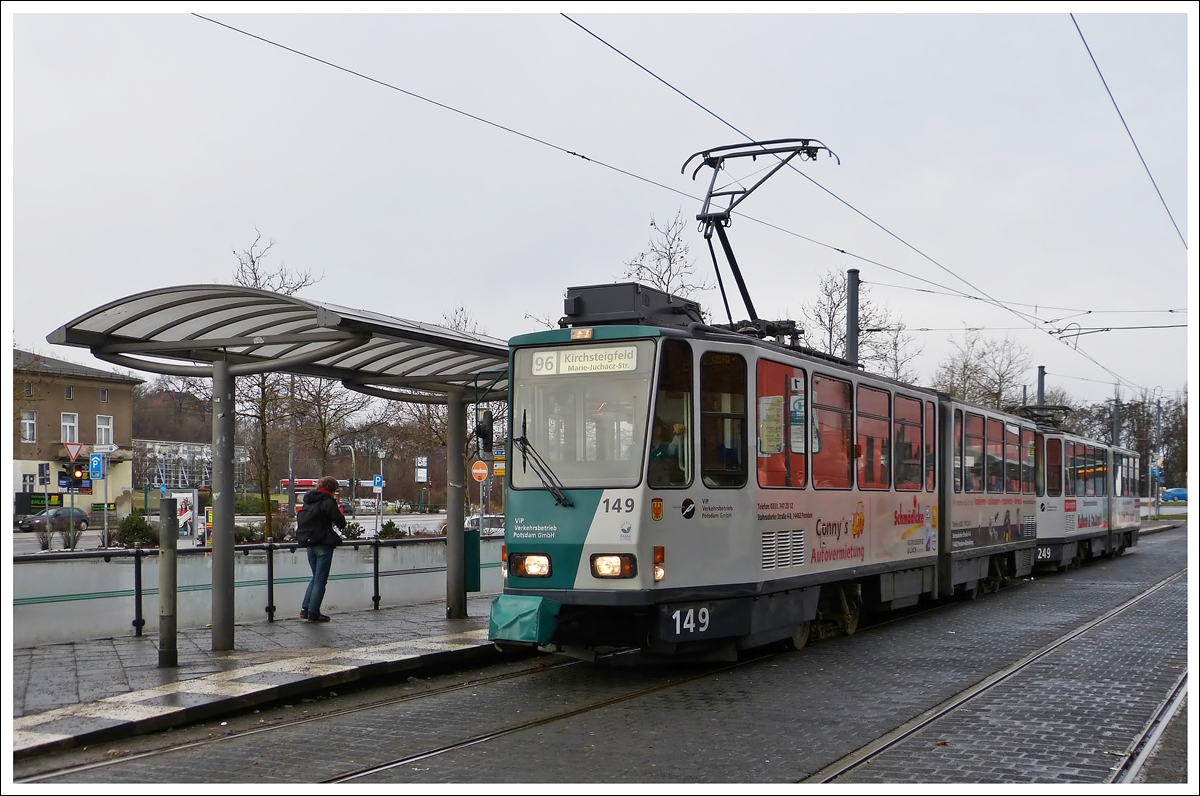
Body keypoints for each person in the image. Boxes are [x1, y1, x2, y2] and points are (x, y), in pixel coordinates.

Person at [296, 476, 346, 622]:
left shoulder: (308, 501)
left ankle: (305, 609)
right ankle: (313, 612)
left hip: (309, 544)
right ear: (332, 489)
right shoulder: (328, 502)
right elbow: (341, 523)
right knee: (320, 580)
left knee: (315, 578)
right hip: (323, 544)